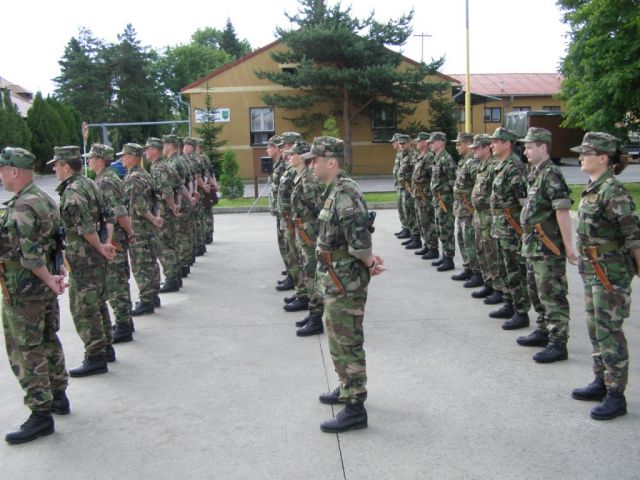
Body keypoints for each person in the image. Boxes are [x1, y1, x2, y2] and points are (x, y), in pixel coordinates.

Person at [304, 136, 384, 433]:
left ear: (331, 162)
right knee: (337, 338)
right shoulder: (335, 191)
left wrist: (370, 263)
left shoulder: (346, 193)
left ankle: (355, 407)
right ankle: (346, 385)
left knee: (347, 340)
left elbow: (359, 242)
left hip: (345, 281)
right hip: (335, 278)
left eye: (315, 160)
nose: (311, 165)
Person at [0, 147, 70, 444]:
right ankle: (58, 396)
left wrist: (50, 278)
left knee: (26, 349)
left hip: (24, 289)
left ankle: (40, 414)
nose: (1, 175)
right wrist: (55, 275)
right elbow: (58, 240)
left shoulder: (22, 206)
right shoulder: (44, 199)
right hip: (43, 287)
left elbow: (30, 256)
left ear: (15, 171)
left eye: (3, 169)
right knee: (48, 339)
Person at [570, 132, 640, 420]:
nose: (580, 157)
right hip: (593, 270)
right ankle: (601, 380)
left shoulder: (613, 191)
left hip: (610, 273)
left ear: (603, 158)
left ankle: (616, 394)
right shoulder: (594, 187)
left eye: (586, 153)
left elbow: (634, 236)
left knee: (609, 331)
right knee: (595, 328)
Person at [50, 146, 116, 377]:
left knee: (83, 308)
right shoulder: (90, 183)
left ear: (66, 166)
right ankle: (106, 348)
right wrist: (105, 244)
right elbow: (108, 215)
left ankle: (96, 355)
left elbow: (86, 227)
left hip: (84, 257)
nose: (55, 169)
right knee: (98, 302)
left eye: (56, 165)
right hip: (93, 254)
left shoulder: (73, 191)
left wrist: (100, 246)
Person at [516, 128, 576, 363]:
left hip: (547, 246)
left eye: (529, 147)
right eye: (525, 147)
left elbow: (561, 209)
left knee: (552, 294)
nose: (525, 151)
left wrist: (569, 246)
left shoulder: (551, 173)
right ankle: (543, 329)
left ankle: (558, 342)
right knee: (536, 291)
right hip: (533, 245)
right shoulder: (536, 172)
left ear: (543, 147)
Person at [87, 144, 136, 344]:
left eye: (91, 158)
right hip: (115, 237)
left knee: (115, 282)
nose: (88, 162)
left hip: (113, 238)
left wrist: (130, 232)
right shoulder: (107, 178)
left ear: (100, 161)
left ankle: (123, 325)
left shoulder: (105, 181)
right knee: (118, 280)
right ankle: (125, 321)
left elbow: (118, 212)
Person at [488, 127, 531, 328]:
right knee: (505, 268)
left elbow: (524, 202)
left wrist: (523, 230)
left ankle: (521, 311)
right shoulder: (502, 165)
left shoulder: (514, 167)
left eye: (496, 141)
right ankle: (509, 302)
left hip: (512, 228)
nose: (492, 145)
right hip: (501, 226)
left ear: (507, 144)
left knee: (515, 270)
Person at [285, 141, 325, 336]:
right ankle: (312, 311)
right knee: (306, 272)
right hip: (303, 231)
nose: (289, 157)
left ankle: (317, 318)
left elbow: (319, 209)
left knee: (312, 274)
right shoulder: (300, 176)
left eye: (292, 154)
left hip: (310, 233)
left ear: (301, 157)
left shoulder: (308, 179)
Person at [120, 143, 163, 316]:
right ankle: (153, 296)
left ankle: (146, 301)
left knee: (140, 265)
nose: (122, 159)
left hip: (139, 228)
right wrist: (156, 218)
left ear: (132, 157)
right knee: (151, 262)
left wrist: (153, 219)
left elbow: (139, 206)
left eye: (124, 156)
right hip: (149, 229)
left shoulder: (132, 178)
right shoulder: (145, 174)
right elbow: (156, 199)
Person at [145, 137, 182, 293]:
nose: (146, 152)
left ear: (154, 150)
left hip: (162, 210)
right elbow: (179, 186)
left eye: (147, 149)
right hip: (168, 210)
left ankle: (172, 279)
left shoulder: (158, 168)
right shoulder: (166, 165)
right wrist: (176, 205)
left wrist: (173, 207)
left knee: (163, 246)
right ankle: (176, 277)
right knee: (171, 243)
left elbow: (166, 191)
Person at [470, 134, 500, 298]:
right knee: (482, 253)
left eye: (476, 147)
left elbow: (498, 195)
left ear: (486, 148)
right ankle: (488, 283)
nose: (473, 150)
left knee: (492, 255)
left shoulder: (493, 167)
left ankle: (498, 288)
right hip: (479, 217)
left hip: (489, 218)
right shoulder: (482, 166)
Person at [452, 132, 482, 285]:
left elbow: (479, 185)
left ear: (468, 144)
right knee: (462, 239)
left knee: (470, 242)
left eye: (460, 144)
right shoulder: (463, 161)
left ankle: (477, 272)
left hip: (469, 210)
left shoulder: (473, 162)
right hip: (461, 209)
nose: (457, 147)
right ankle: (468, 267)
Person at [429, 132, 457, 271]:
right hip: (438, 200)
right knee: (440, 229)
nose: (430, 144)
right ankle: (444, 255)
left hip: (446, 201)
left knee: (446, 230)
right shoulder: (437, 159)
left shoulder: (446, 159)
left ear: (441, 142)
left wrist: (451, 200)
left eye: (432, 142)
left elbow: (453, 182)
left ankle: (449, 259)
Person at [411, 132, 439, 260]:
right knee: (421, 220)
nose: (416, 143)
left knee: (428, 221)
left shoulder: (429, 157)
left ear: (425, 143)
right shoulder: (420, 156)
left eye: (418, 141)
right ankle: (427, 244)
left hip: (425, 194)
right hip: (418, 193)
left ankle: (433, 247)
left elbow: (432, 177)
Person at [396, 134, 421, 249]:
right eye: (400, 144)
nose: (401, 145)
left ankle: (416, 237)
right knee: (406, 212)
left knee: (411, 213)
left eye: (403, 143)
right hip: (402, 187)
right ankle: (411, 233)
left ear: (409, 143)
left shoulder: (413, 155)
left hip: (409, 188)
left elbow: (416, 173)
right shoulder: (401, 155)